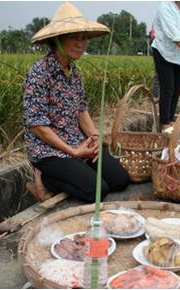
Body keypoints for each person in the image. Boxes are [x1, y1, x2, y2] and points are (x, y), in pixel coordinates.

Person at [23, 2, 129, 202]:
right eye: (74, 37)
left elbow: (81, 110)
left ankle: (76, 170)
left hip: (77, 143)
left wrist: (95, 138)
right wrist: (73, 151)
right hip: (49, 150)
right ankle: (44, 178)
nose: (81, 43)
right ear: (57, 39)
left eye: (84, 38)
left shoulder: (74, 73)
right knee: (97, 190)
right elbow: (37, 126)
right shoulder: (39, 73)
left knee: (120, 179)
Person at [151, 1, 180, 132]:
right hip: (163, 51)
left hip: (179, 54)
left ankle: (171, 119)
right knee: (167, 88)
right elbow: (171, 31)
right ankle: (164, 122)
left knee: (177, 88)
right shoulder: (164, 6)